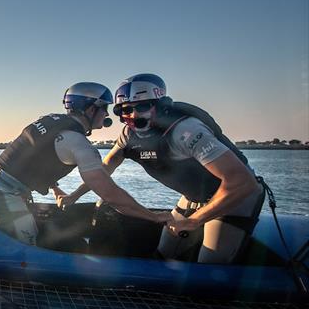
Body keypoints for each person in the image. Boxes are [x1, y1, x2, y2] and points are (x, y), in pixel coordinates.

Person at [59, 74, 263, 263]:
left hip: (235, 197)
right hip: (195, 196)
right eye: (125, 110)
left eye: (142, 107)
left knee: (209, 264)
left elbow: (242, 182)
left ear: (161, 105)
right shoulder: (128, 135)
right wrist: (75, 195)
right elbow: (103, 170)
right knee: (165, 249)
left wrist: (196, 220)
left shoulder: (186, 130)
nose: (133, 115)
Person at [0, 82, 173, 246]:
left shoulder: (50, 121)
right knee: (27, 248)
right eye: (104, 109)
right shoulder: (78, 143)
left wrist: (56, 189)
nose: (106, 115)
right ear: (91, 110)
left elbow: (36, 158)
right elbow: (110, 194)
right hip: (7, 196)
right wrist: (154, 217)